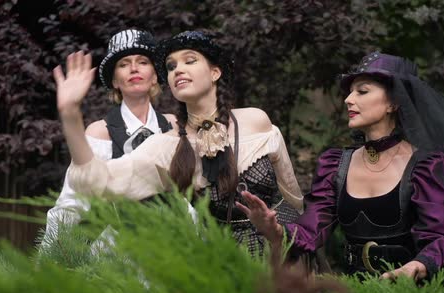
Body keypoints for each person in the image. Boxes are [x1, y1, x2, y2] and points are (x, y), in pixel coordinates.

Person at [53, 30, 303, 257]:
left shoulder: (256, 121)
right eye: (171, 67)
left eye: (190, 60)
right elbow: (99, 182)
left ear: (215, 72)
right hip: (221, 273)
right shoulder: (166, 146)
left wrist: (282, 232)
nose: (178, 70)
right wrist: (70, 114)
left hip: (284, 259)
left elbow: (293, 196)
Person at [237, 52, 444, 280]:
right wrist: (275, 229)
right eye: (350, 92)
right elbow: (311, 230)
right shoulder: (336, 166)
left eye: (362, 91)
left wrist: (417, 265)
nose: (348, 99)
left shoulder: (425, 167)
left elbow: (441, 238)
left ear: (393, 103)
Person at [43, 29, 174, 246]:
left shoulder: (172, 126)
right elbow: (72, 202)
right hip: (118, 256)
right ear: (115, 80)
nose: (133, 68)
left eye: (142, 62)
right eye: (123, 64)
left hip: (177, 253)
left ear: (155, 77)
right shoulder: (100, 132)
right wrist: (48, 266)